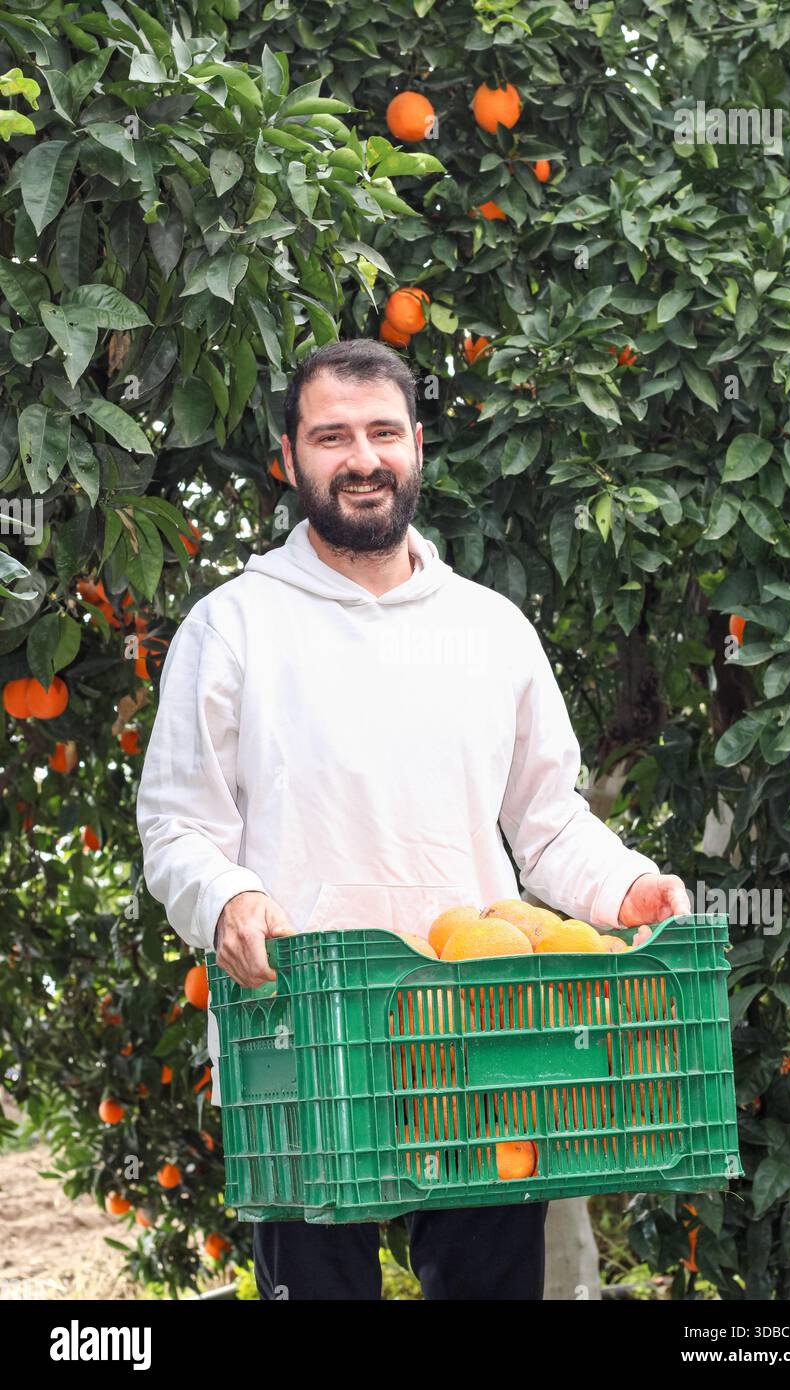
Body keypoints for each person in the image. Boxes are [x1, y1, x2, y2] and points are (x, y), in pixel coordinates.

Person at [136, 338, 690, 1301]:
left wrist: (626, 885)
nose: (362, 458)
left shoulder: (489, 628)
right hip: (302, 1043)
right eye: (332, 436)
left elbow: (549, 821)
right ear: (290, 457)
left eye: (383, 432)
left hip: (478, 1034)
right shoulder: (233, 627)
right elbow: (178, 825)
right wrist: (227, 898)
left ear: (418, 446)